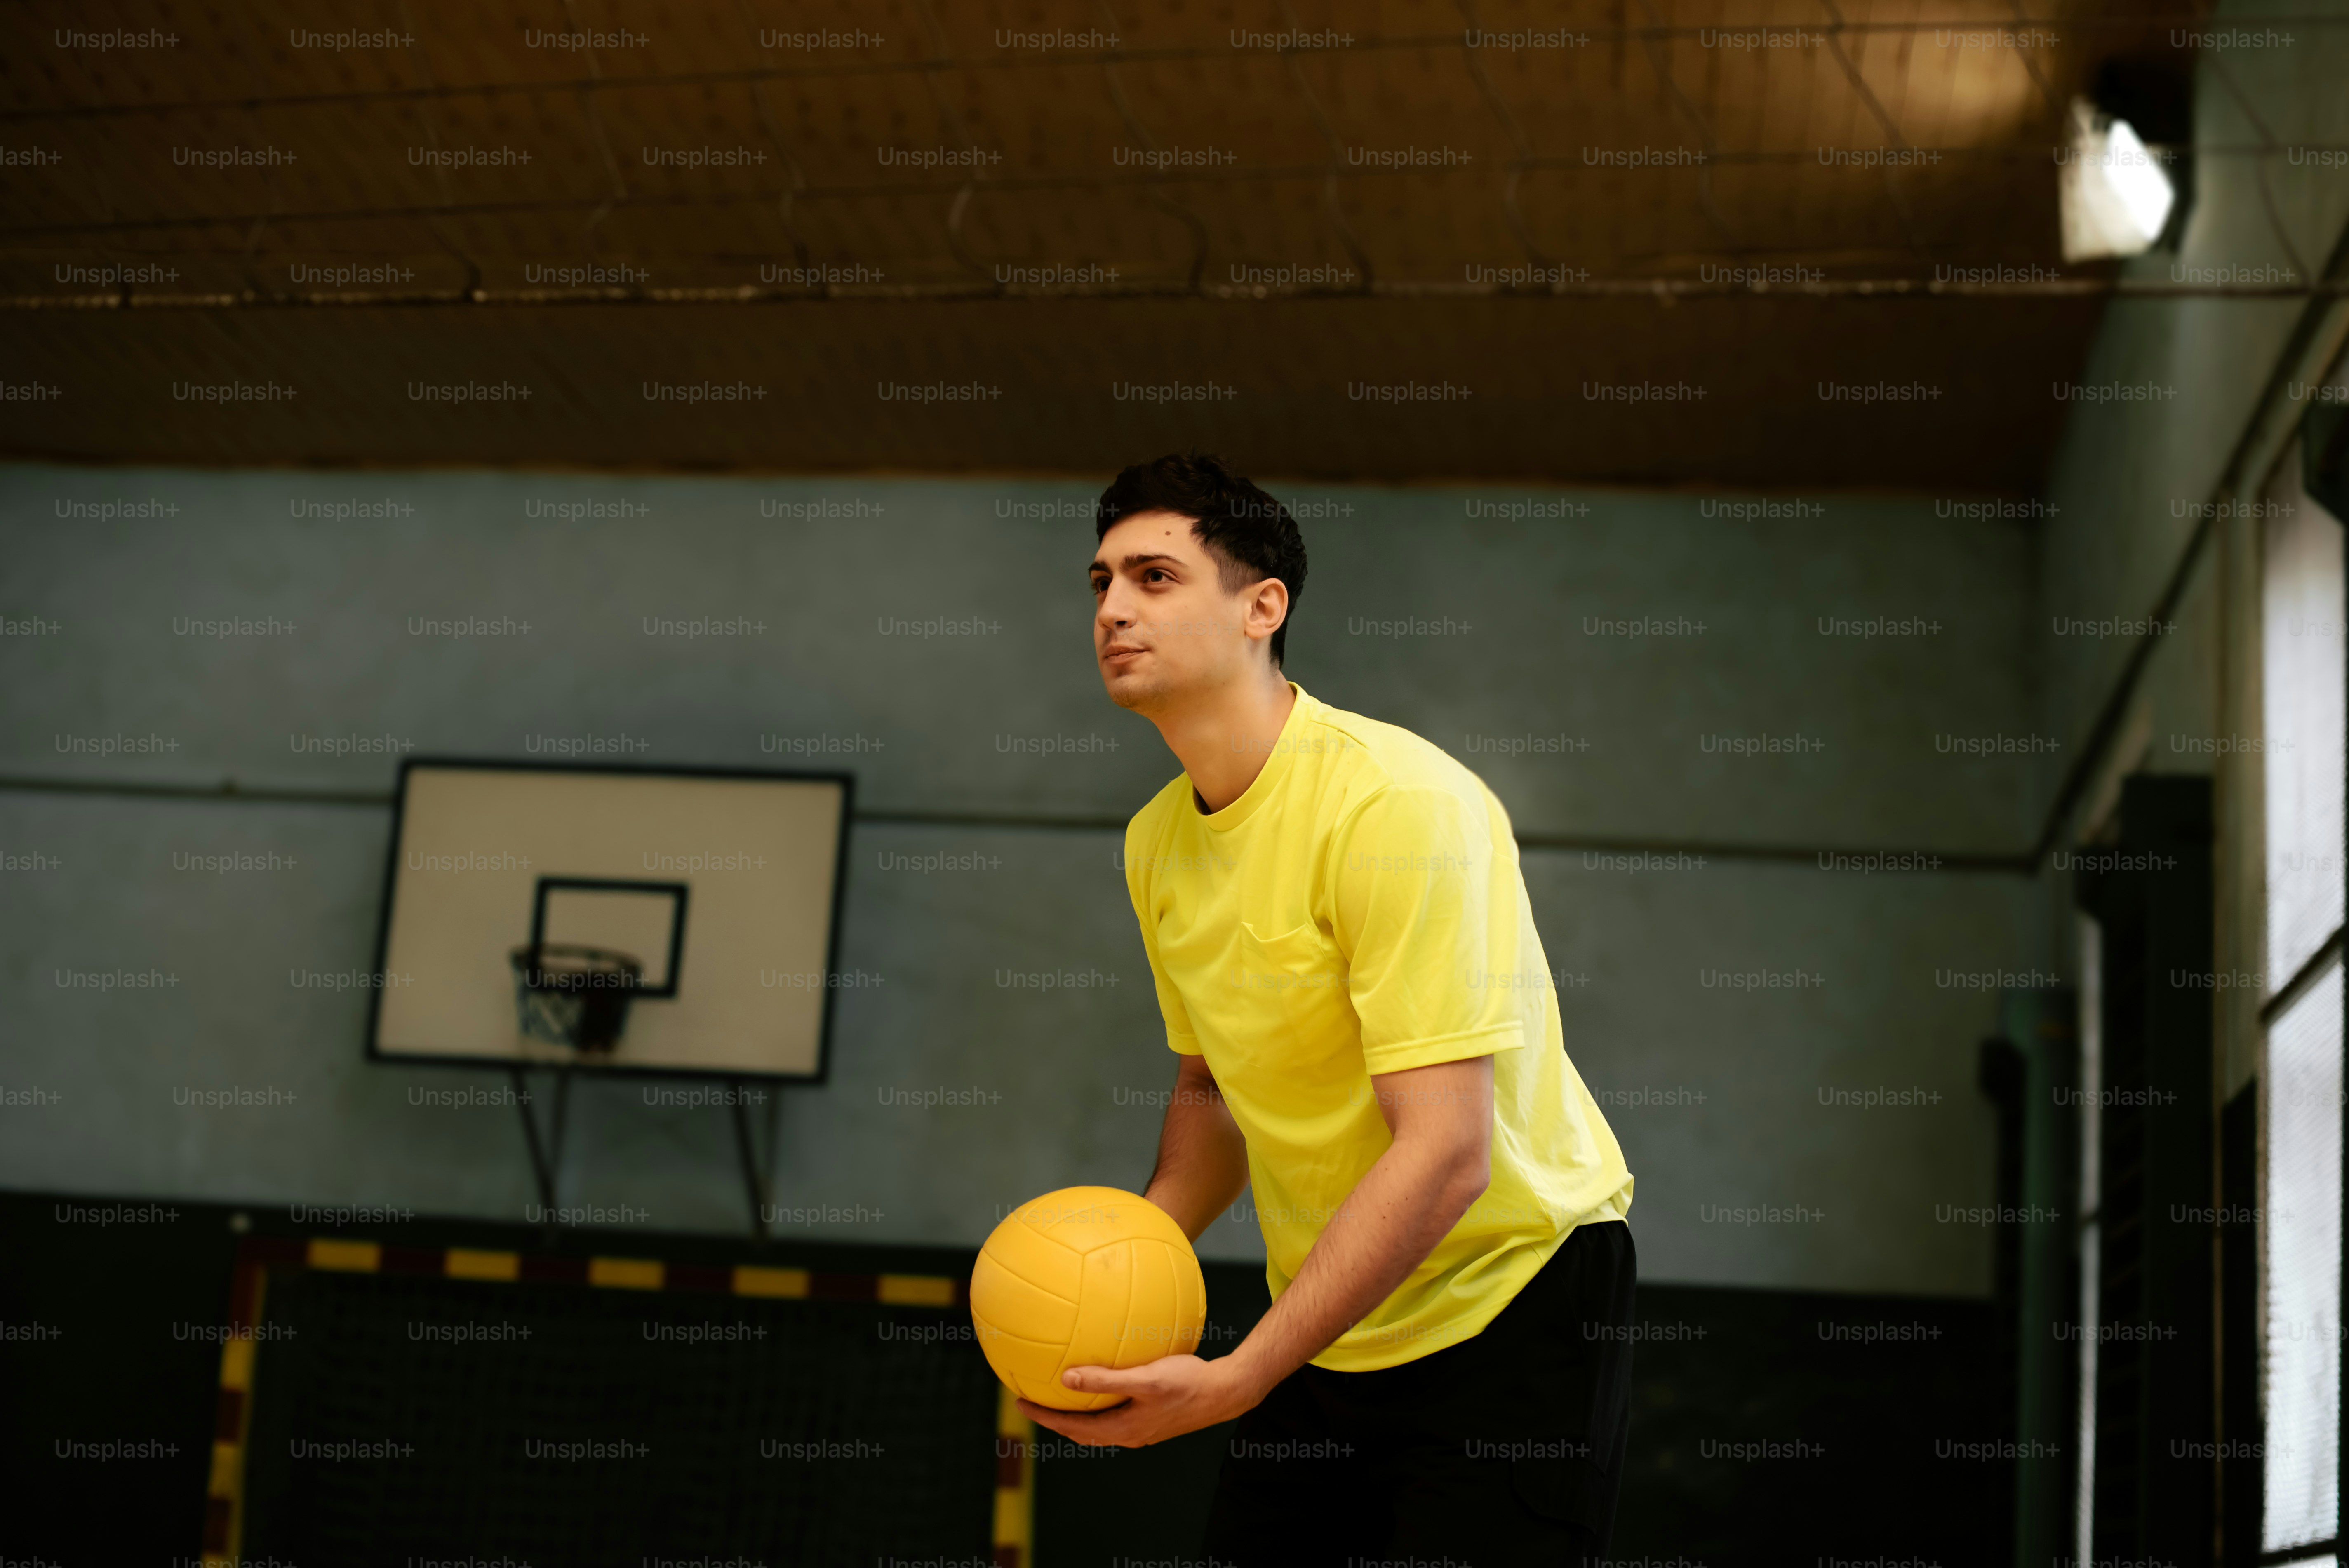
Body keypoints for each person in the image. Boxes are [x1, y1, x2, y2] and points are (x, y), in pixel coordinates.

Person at [1016, 453, 1638, 1564]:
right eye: (1100, 580)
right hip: (1333, 1315)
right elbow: (1209, 1093)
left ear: (1264, 606)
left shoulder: (1399, 806)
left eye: (1154, 577)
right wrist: (1109, 1267)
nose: (1112, 606)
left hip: (1509, 1302)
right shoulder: (1155, 839)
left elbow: (1447, 1151)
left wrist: (1241, 1372)